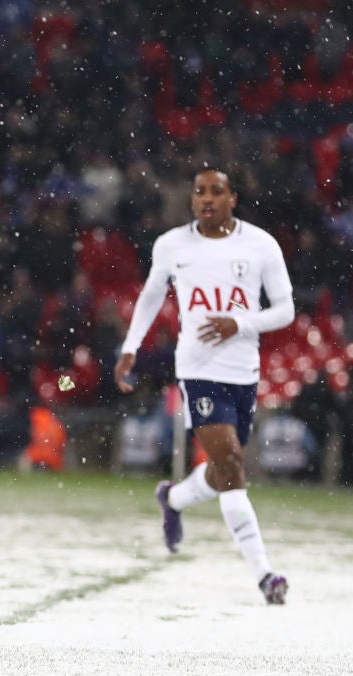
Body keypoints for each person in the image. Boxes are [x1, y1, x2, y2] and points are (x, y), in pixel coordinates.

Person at [114, 167, 295, 605]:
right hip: (197, 370)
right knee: (232, 464)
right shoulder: (172, 245)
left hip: (243, 372)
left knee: (222, 470)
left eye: (217, 192)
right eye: (200, 192)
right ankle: (264, 574)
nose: (207, 199)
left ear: (233, 198)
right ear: (192, 200)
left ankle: (173, 498)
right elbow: (153, 295)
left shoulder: (260, 245)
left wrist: (240, 322)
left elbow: (286, 309)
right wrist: (131, 346)